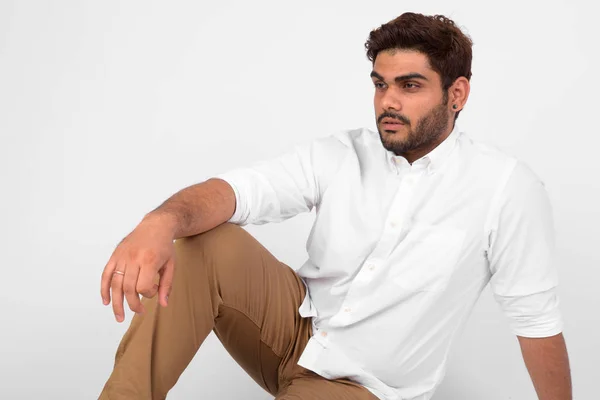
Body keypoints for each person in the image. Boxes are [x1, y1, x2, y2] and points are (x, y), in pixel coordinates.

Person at [99, 12, 572, 400]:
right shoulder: (343, 153)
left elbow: (537, 323)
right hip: (291, 334)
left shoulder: (506, 188)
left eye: (409, 86)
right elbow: (240, 191)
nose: (388, 101)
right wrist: (159, 222)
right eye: (380, 84)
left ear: (457, 94)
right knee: (204, 242)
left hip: (363, 386)